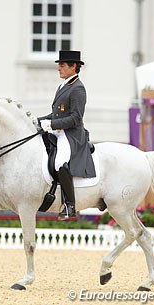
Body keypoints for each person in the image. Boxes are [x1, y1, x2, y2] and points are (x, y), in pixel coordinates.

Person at [39, 50, 96, 219]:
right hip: (58, 131)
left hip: (70, 135)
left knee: (59, 163)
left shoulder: (78, 89)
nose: (58, 68)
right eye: (59, 65)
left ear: (73, 67)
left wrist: (51, 124)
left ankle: (70, 205)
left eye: (62, 65)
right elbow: (56, 114)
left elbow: (76, 119)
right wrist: (37, 120)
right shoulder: (63, 86)